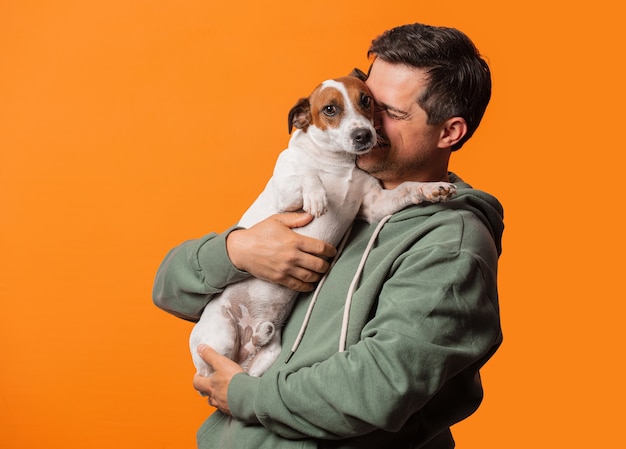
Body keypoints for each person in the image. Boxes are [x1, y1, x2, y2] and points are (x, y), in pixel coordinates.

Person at [153, 22, 504, 449]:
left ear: (449, 132)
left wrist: (247, 395)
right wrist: (237, 250)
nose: (365, 123)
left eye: (389, 113)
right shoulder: (337, 184)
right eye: (368, 101)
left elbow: (377, 388)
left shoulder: (450, 246)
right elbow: (168, 291)